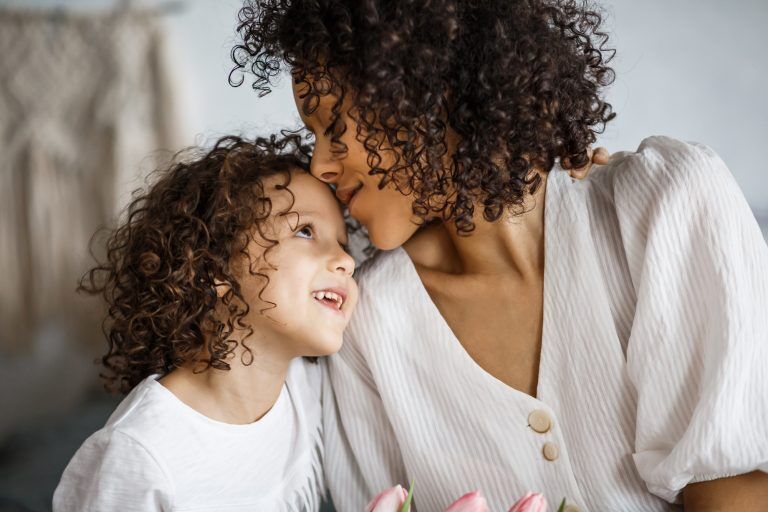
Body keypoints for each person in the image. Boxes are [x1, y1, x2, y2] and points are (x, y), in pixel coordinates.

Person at [231, 1, 768, 510]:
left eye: (335, 128)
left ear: (422, 91)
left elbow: (736, 480)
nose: (321, 164)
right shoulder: (364, 324)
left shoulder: (665, 206)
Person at [53, 135, 358, 511]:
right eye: (305, 231)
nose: (346, 261)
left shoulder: (307, 389)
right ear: (215, 267)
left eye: (343, 243)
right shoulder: (139, 455)